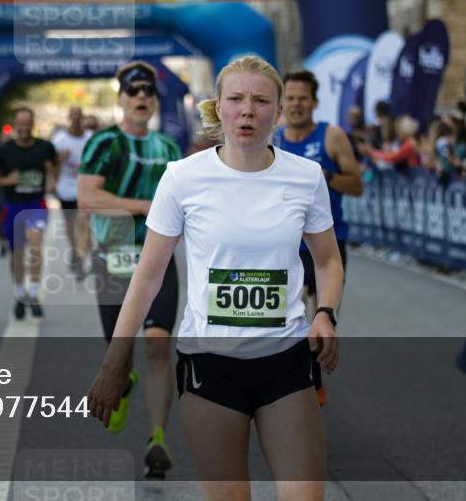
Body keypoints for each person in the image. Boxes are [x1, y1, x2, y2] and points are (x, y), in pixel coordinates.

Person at [88, 55, 343, 501]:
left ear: (278, 112)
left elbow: (327, 260)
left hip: (285, 360)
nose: (248, 110)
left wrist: (325, 313)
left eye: (261, 101)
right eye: (237, 99)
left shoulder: (305, 177)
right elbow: (148, 276)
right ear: (218, 108)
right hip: (210, 366)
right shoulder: (183, 177)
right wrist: (114, 361)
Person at [77, 61, 182, 479]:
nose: (141, 98)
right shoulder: (105, 142)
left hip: (156, 258)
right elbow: (88, 197)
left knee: (159, 346)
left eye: (148, 93)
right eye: (133, 92)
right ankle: (122, 379)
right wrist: (146, 208)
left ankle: (158, 437)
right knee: (116, 357)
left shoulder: (169, 149)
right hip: (113, 256)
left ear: (155, 101)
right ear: (120, 99)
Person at [277, 70, 362, 406]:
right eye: (291, 99)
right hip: (287, 243)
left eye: (303, 98)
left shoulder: (332, 136)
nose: (296, 105)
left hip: (327, 241)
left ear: (314, 102)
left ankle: (312, 377)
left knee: (320, 316)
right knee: (291, 311)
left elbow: (357, 185)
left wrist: (326, 176)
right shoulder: (276, 140)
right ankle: (303, 383)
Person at [0, 107, 57, 319]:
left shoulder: (45, 147)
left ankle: (33, 294)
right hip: (13, 207)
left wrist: (52, 179)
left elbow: (55, 164)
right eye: (21, 124)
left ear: (33, 124)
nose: (24, 128)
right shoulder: (4, 151)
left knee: (35, 247)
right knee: (18, 253)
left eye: (28, 123)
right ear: (15, 125)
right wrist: (7, 180)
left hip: (36, 205)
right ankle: (19, 294)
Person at [51, 106, 92, 277]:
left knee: (83, 224)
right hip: (65, 189)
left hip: (85, 189)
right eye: (72, 114)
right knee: (70, 225)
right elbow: (51, 164)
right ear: (68, 117)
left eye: (78, 115)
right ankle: (75, 250)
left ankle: (80, 256)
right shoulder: (59, 140)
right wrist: (60, 160)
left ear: (82, 117)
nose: (75, 118)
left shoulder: (90, 138)